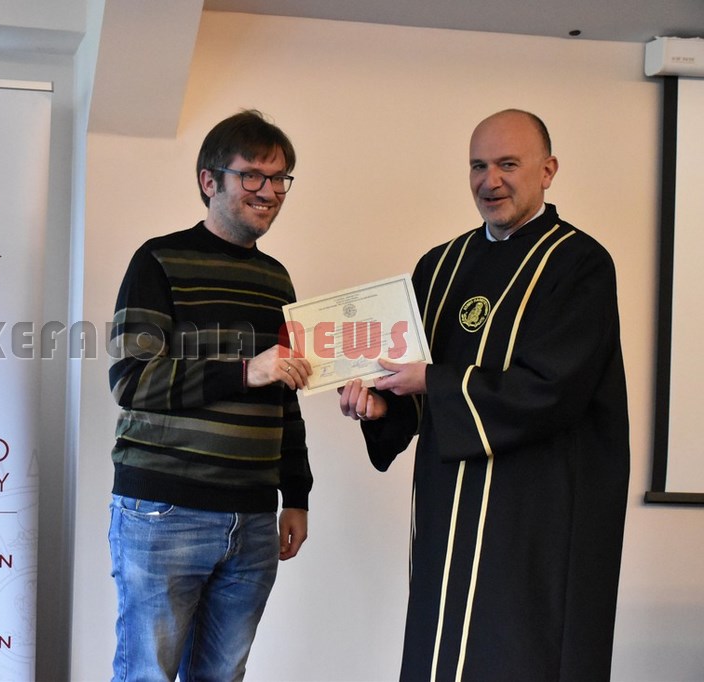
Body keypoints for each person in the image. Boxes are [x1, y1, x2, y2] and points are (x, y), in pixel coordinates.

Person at [339, 109, 629, 681]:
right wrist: (382, 406)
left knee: (519, 652)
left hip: (537, 513)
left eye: (507, 164)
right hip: (449, 506)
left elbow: (553, 389)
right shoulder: (440, 266)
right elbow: (415, 386)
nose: (489, 181)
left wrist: (431, 382)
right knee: (442, 648)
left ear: (548, 171)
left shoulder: (579, 264)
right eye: (478, 166)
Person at [107, 109, 313, 681]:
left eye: (280, 178)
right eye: (252, 175)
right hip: (164, 511)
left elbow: (285, 393)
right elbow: (131, 379)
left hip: (253, 518)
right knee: (147, 674)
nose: (269, 191)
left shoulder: (277, 279)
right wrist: (245, 371)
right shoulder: (158, 260)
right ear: (209, 180)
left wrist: (296, 494)